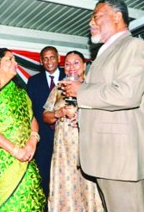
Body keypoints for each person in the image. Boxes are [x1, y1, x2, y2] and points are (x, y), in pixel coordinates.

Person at [62, 0, 144, 212]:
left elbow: (127, 95)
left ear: (117, 17)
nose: (91, 22)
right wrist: (82, 113)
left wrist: (82, 91)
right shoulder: (104, 54)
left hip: (119, 158)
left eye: (96, 16)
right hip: (106, 157)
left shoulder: (133, 46)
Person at [0, 48, 46, 212]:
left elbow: (33, 120)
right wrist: (15, 150)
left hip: (26, 160)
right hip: (1, 164)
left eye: (15, 60)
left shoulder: (21, 92)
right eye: (9, 59)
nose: (15, 63)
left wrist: (32, 141)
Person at [43, 51, 103, 212]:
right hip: (63, 151)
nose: (71, 68)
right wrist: (59, 113)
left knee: (89, 191)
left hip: (87, 148)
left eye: (76, 63)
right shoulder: (58, 89)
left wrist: (83, 116)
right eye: (67, 64)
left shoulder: (94, 88)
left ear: (84, 66)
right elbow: (45, 116)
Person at [26, 46, 65, 202]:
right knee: (44, 177)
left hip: (66, 137)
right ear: (41, 61)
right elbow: (30, 111)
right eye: (45, 58)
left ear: (58, 58)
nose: (49, 61)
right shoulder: (33, 81)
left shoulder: (69, 77)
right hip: (42, 139)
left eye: (52, 57)